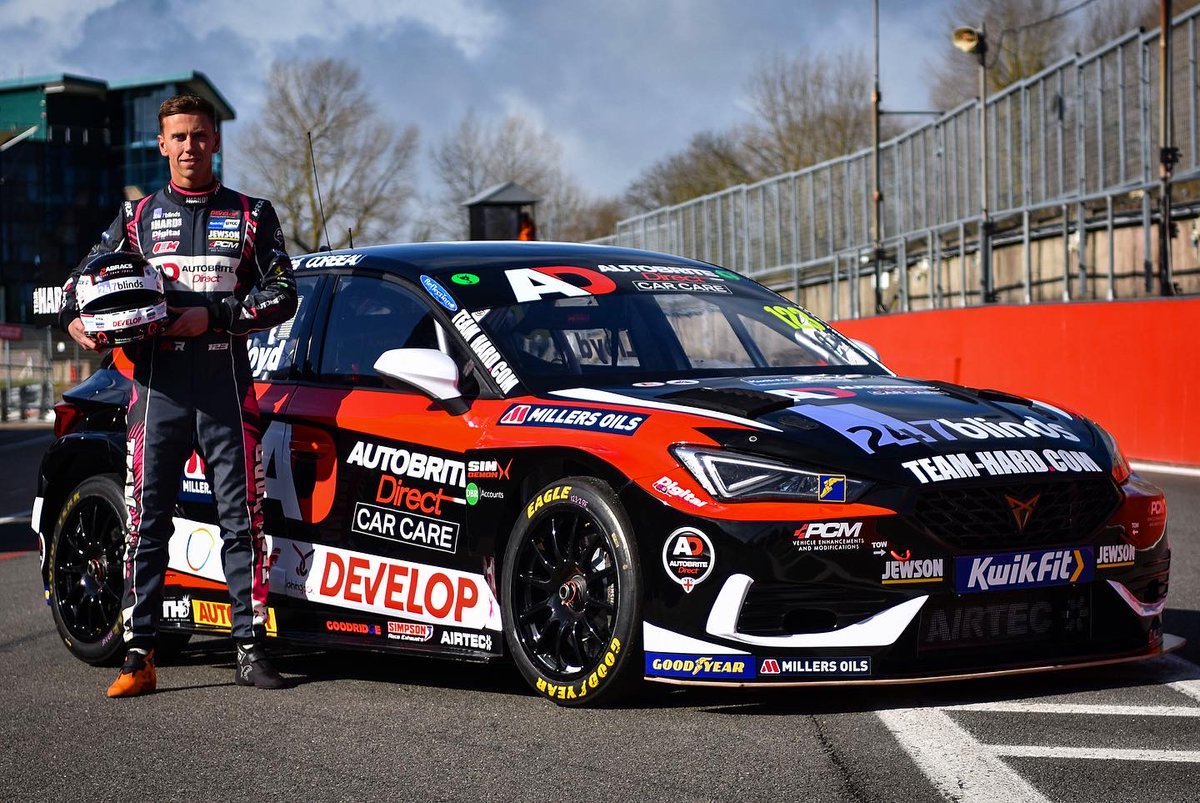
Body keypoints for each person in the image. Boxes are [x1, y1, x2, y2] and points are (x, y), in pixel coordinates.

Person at [59, 93, 298, 697]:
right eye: (179, 137)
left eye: (199, 135)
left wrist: (214, 316)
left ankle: (250, 649)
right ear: (162, 144)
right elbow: (77, 283)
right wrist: (76, 320)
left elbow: (283, 293)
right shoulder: (135, 218)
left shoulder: (252, 213)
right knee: (146, 524)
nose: (190, 147)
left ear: (215, 140)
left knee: (242, 522)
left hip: (226, 388)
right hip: (154, 389)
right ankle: (139, 654)